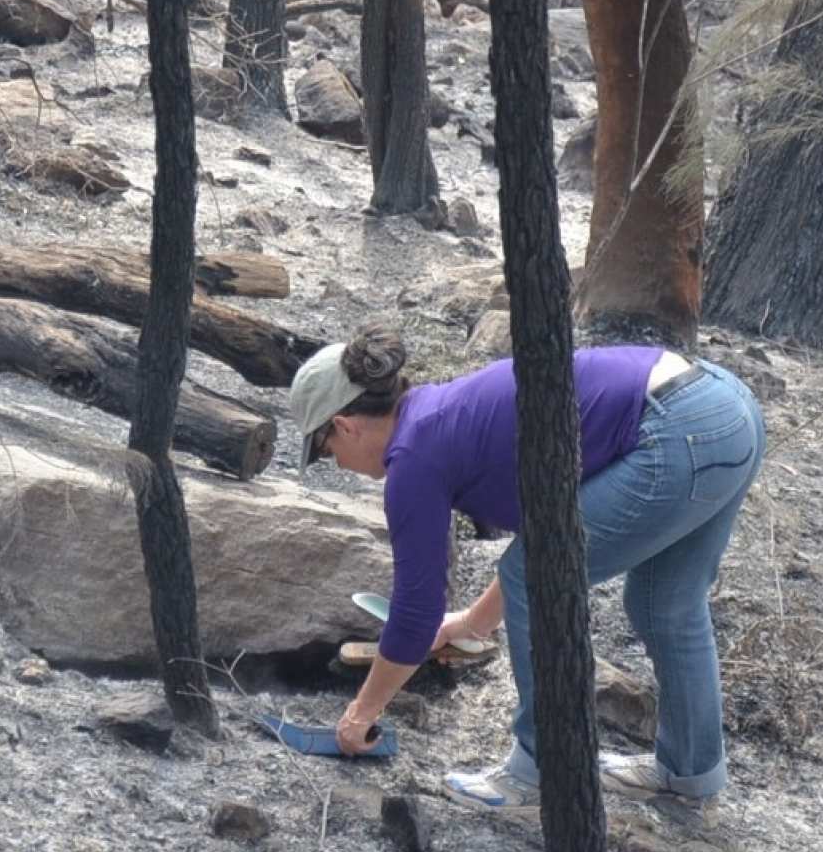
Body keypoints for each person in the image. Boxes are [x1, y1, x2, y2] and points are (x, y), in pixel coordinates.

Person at [288, 327, 764, 807]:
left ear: (345, 425)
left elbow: (416, 613)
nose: (340, 465)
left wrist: (359, 715)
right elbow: (540, 535)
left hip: (678, 431)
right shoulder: (436, 416)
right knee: (666, 602)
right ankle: (691, 772)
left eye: (328, 453)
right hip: (723, 406)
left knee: (541, 576)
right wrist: (472, 624)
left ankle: (543, 766)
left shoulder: (413, 457)